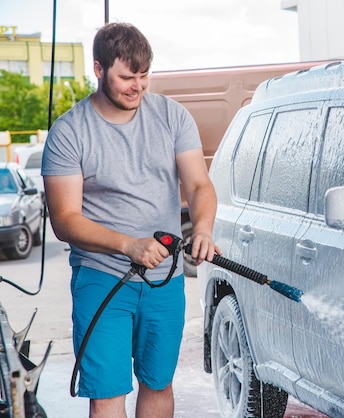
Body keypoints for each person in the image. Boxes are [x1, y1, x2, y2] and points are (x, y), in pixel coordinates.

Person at [41, 22, 218, 418]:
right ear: (99, 70)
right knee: (107, 394)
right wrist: (128, 244)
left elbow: (200, 185)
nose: (136, 86)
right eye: (126, 77)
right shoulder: (70, 132)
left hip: (165, 281)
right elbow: (65, 220)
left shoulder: (172, 116)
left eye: (143, 76)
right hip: (102, 278)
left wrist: (203, 228)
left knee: (158, 383)